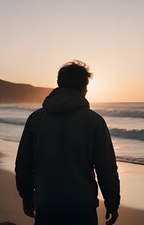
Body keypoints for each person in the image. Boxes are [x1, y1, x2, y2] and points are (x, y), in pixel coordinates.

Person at [15, 60, 120, 225]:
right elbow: (106, 168)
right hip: (82, 206)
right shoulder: (94, 121)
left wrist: (27, 197)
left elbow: (23, 164)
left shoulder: (36, 119)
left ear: (59, 84)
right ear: (83, 87)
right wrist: (112, 203)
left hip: (46, 203)